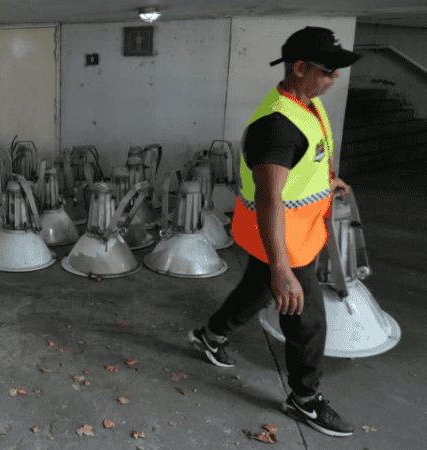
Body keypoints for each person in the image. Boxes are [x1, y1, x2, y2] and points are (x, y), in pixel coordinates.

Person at [188, 26, 361, 437]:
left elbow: (306, 163)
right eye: (328, 71)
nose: (334, 79)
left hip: (296, 234)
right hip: (284, 243)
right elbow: (269, 197)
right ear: (299, 68)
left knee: (256, 290)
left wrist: (326, 182)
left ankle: (209, 336)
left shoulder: (304, 104)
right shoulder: (277, 127)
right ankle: (304, 399)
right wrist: (283, 269)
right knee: (307, 321)